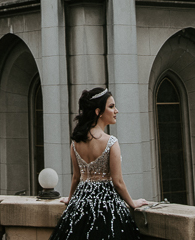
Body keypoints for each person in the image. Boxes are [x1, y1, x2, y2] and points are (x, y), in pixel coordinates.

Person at [48, 87, 149, 240]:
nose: (116, 111)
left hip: (80, 204)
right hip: (107, 206)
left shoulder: (76, 142)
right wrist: (132, 203)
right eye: (111, 106)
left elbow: (76, 177)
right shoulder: (111, 142)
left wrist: (70, 199)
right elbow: (118, 182)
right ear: (98, 111)